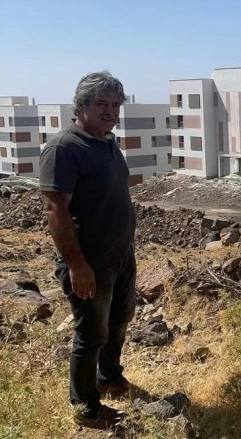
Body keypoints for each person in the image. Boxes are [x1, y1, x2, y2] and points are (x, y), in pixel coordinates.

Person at [39, 71, 137, 429]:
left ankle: (109, 377)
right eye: (102, 104)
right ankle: (86, 409)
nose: (111, 111)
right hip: (89, 262)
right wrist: (77, 265)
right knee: (91, 333)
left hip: (120, 256)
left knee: (120, 319)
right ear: (81, 106)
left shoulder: (108, 142)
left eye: (116, 105)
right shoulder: (64, 148)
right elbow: (55, 209)